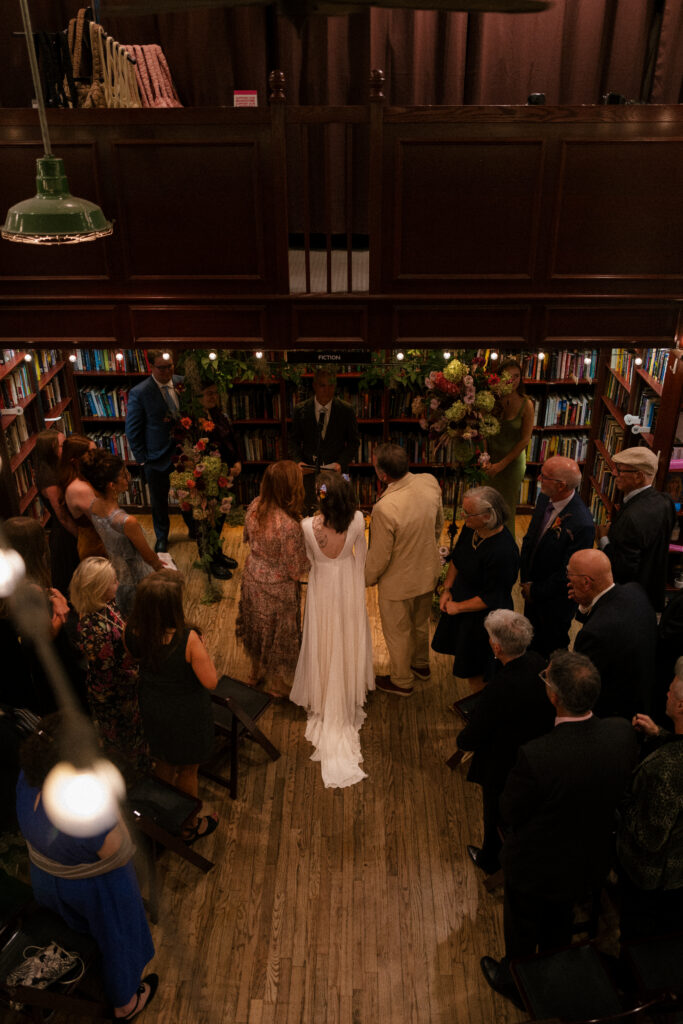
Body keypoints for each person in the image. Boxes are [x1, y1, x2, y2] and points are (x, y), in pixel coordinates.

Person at [480, 650, 637, 1010]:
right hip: (590, 858)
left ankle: (516, 980)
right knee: (559, 921)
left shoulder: (538, 756)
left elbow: (508, 811)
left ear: (553, 696)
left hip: (536, 867)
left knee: (521, 929)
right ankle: (554, 973)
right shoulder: (621, 732)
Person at [15, 713, 157, 1021]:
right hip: (95, 889)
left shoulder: (26, 777)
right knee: (117, 937)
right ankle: (126, 1002)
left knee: (76, 929)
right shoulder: (81, 800)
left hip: (47, 878)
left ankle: (86, 965)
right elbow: (113, 848)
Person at [290, 471, 374, 788]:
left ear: (321, 497)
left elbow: (310, 561)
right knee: (348, 636)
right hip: (348, 585)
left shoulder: (305, 527)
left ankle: (325, 688)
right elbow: (361, 557)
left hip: (322, 585)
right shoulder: (357, 520)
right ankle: (347, 685)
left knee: (323, 639)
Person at [125, 570, 219, 843]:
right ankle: (187, 825)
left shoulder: (131, 630)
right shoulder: (187, 639)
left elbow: (133, 659)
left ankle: (163, 816)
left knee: (163, 762)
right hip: (186, 712)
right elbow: (211, 681)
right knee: (188, 768)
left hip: (154, 706)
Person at [456, 610, 553, 875]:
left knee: (496, 814)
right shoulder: (538, 661)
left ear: (497, 647)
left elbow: (473, 735)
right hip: (537, 750)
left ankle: (491, 860)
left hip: (503, 762)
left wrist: (462, 740)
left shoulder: (500, 687)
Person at [365, 443, 443, 697]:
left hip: (398, 583)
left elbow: (379, 555)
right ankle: (421, 665)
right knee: (420, 624)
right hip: (428, 570)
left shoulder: (385, 507)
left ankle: (401, 680)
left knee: (398, 632)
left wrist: (366, 579)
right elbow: (437, 525)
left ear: (383, 475)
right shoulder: (429, 482)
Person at [616, 660, 683, 941]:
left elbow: (649, 837)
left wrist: (622, 797)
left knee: (639, 936)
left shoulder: (664, 771)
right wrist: (659, 735)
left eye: (670, 692)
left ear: (680, 707)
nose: (665, 694)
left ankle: (627, 977)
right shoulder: (672, 749)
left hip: (653, 875)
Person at [236, 461, 310, 698]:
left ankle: (255, 673)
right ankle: (278, 685)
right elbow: (296, 568)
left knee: (257, 628)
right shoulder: (289, 526)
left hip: (252, 579)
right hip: (279, 590)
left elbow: (247, 537)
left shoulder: (255, 506)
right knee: (280, 635)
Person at [436, 486, 519, 692]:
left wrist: (458, 607)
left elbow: (492, 596)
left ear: (487, 516)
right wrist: (447, 589)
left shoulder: (504, 551)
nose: (463, 516)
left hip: (484, 618)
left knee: (479, 672)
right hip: (463, 605)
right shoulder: (472, 528)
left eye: (468, 513)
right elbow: (458, 558)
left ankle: (480, 711)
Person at [70, 557, 149, 771]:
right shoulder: (91, 627)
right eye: (113, 581)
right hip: (113, 695)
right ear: (98, 588)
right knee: (123, 743)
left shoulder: (107, 604)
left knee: (135, 736)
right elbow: (110, 669)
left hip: (126, 685)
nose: (118, 584)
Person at [2, 517, 85, 715]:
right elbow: (45, 635)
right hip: (39, 671)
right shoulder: (31, 590)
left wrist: (50, 594)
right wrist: (61, 610)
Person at [519, 455, 595, 657]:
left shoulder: (582, 524)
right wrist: (526, 580)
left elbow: (568, 573)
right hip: (532, 589)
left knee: (550, 647)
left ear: (561, 485)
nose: (539, 479)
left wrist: (535, 590)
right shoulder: (545, 496)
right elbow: (530, 539)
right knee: (530, 640)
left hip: (555, 603)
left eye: (544, 476)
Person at [569, 548, 658, 719]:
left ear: (587, 582)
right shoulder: (635, 590)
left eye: (570, 575)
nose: (568, 580)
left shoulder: (593, 634)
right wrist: (584, 604)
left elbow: (583, 687)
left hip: (615, 714)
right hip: (646, 696)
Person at [79, 449, 164, 616]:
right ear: (112, 485)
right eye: (124, 475)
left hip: (117, 576)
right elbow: (148, 557)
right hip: (138, 578)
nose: (129, 478)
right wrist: (164, 571)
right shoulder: (127, 522)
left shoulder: (93, 506)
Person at [125, 349, 191, 554]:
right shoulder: (140, 392)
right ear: (151, 367)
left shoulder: (183, 383)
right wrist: (143, 460)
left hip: (184, 453)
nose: (167, 371)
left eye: (170, 366)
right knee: (159, 501)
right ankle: (162, 537)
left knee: (189, 495)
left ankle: (194, 529)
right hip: (156, 457)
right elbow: (133, 429)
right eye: (161, 368)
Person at [596, 446, 675, 612]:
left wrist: (603, 538)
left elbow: (621, 568)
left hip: (628, 600)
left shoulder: (631, 518)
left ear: (639, 476)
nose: (614, 474)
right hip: (651, 592)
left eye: (620, 470)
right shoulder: (666, 502)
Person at [288, 367, 360, 510]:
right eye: (322, 385)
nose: (326, 390)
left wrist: (341, 463)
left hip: (336, 475)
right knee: (309, 513)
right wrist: (298, 462)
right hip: (308, 475)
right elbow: (292, 441)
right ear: (314, 385)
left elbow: (354, 442)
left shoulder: (346, 410)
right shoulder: (300, 409)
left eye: (331, 385)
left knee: (337, 512)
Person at [485, 358, 534, 539]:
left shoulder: (526, 404)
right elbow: (482, 431)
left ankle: (506, 550)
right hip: (489, 462)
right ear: (498, 378)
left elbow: (524, 440)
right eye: (507, 376)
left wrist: (502, 465)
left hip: (512, 464)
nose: (512, 381)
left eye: (516, 376)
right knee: (486, 506)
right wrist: (486, 460)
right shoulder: (489, 400)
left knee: (506, 508)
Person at [32, 429, 79, 595]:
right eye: (62, 445)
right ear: (51, 448)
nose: (66, 448)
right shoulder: (49, 479)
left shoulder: (56, 468)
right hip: (65, 535)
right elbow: (62, 516)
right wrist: (80, 536)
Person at [59, 434, 106, 561]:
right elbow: (104, 519)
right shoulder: (79, 488)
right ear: (75, 460)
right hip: (97, 547)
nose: (97, 458)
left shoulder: (84, 478)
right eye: (91, 454)